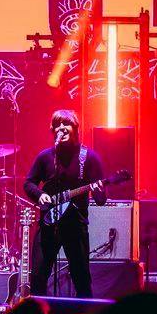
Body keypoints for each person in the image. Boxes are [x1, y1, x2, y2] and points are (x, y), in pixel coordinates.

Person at [23, 109, 104, 298]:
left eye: (66, 124)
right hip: (48, 224)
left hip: (75, 225)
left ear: (75, 128)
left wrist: (99, 190)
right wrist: (40, 194)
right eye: (57, 125)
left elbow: (101, 200)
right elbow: (29, 183)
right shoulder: (45, 156)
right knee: (38, 277)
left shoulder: (89, 157)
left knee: (81, 278)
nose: (62, 128)